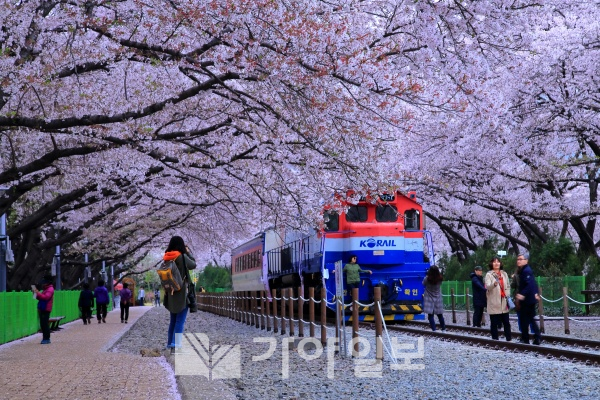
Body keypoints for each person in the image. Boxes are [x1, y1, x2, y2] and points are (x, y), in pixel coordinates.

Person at [163, 236, 197, 353]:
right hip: (182, 292)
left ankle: (170, 344)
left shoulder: (167, 257)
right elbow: (193, 265)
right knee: (180, 321)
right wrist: (188, 252)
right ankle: (176, 345)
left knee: (173, 320)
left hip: (171, 292)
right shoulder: (181, 256)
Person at [515, 252, 542, 345]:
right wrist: (536, 293)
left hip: (527, 299)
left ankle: (529, 337)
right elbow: (533, 283)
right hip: (529, 298)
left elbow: (529, 284)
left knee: (526, 319)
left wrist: (522, 294)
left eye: (520, 259)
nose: (518, 261)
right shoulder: (524, 270)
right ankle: (531, 337)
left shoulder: (526, 271)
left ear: (526, 260)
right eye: (518, 259)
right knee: (528, 319)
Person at [484, 257, 512, 341]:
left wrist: (507, 294)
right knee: (494, 323)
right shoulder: (489, 274)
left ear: (500, 263)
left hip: (504, 301)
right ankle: (495, 340)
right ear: (491, 264)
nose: (496, 263)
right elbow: (488, 286)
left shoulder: (504, 274)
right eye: (494, 262)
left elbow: (507, 285)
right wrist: (494, 284)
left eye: (498, 262)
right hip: (494, 302)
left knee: (506, 322)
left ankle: (509, 339)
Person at [422, 265, 446, 332]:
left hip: (429, 297)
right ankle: (443, 329)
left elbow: (423, 283)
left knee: (430, 315)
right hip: (438, 297)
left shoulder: (427, 279)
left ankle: (434, 329)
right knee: (440, 314)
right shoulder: (440, 279)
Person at [33, 274, 55, 344]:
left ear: (48, 282)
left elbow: (46, 297)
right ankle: (45, 338)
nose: (43, 283)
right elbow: (40, 297)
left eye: (45, 282)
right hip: (42, 308)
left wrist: (37, 293)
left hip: (46, 308)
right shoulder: (46, 289)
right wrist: (35, 294)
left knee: (45, 323)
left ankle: (47, 338)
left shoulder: (50, 289)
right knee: (42, 323)